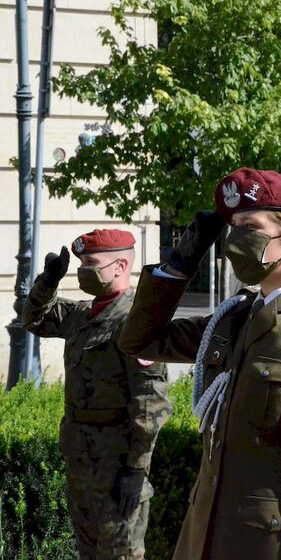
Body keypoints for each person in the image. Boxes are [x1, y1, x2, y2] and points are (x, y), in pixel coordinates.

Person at [118, 168, 281, 559]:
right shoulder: (235, 317)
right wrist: (178, 266)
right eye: (232, 226)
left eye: (249, 227)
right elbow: (140, 339)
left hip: (271, 544)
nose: (234, 239)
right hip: (205, 534)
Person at [23, 229, 171, 559]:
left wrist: (136, 470)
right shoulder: (82, 314)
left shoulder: (136, 320)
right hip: (80, 457)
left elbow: (150, 401)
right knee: (87, 549)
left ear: (120, 266)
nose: (82, 269)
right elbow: (34, 319)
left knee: (120, 553)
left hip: (117, 463)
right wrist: (48, 281)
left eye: (90, 262)